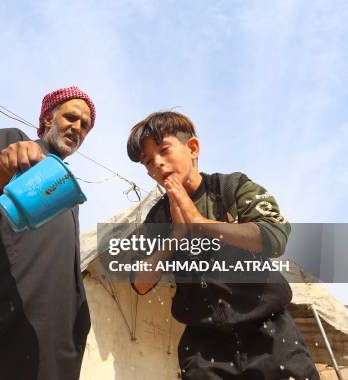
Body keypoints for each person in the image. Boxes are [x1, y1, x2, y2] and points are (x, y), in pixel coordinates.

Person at [126, 111, 319, 380]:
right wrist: (176, 236)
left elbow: (274, 236)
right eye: (147, 161)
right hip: (204, 348)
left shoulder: (232, 188)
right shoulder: (157, 218)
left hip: (269, 333)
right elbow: (141, 282)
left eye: (164, 150)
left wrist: (200, 222)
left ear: (192, 148)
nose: (156, 164)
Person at [0, 86, 95, 380]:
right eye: (71, 117)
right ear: (49, 118)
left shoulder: (65, 193)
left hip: (53, 347)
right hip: (0, 334)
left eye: (85, 125)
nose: (77, 127)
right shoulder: (14, 142)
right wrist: (6, 161)